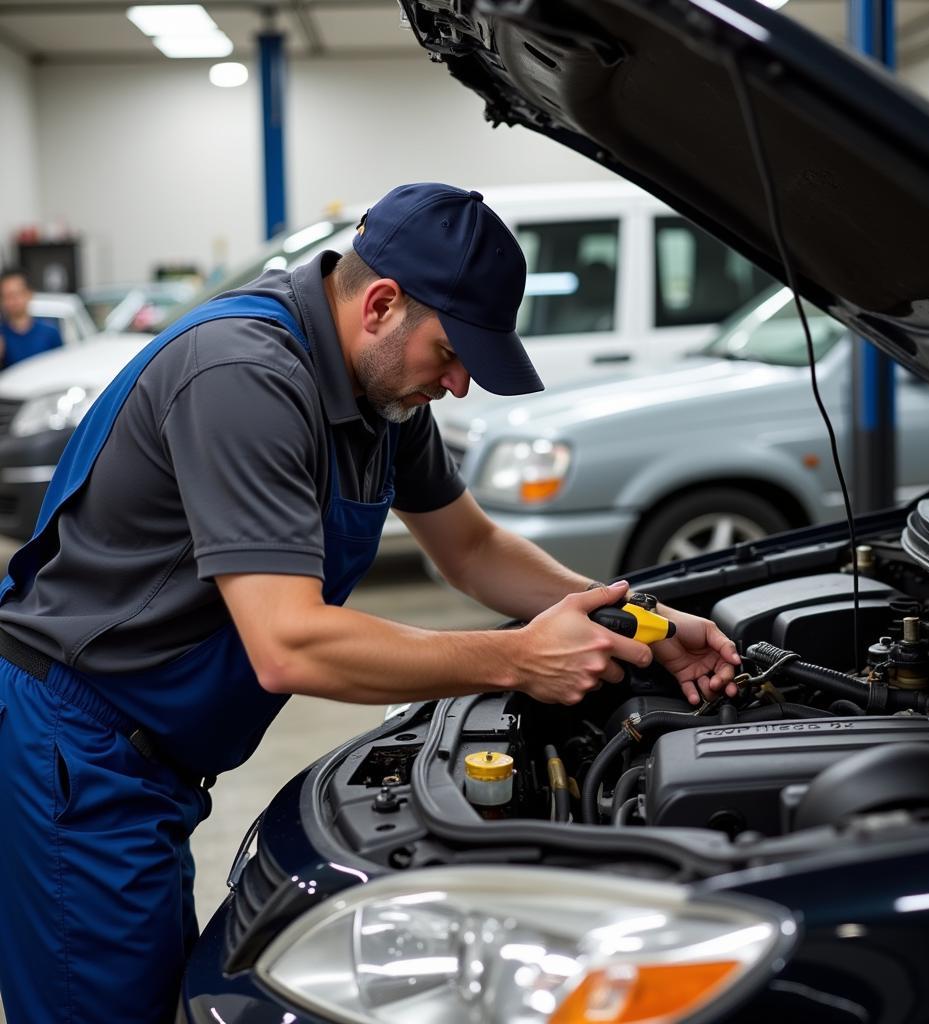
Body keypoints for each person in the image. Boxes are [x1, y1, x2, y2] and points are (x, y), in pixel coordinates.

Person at [0, 183, 741, 1023]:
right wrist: (517, 659)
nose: (459, 385)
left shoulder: (379, 389)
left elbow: (472, 549)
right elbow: (290, 645)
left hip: (155, 759)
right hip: (75, 751)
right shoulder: (244, 374)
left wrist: (644, 617)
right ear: (382, 304)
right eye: (452, 354)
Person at [0, 267, 64, 368]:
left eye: (16, 294)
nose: (12, 301)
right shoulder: (2, 335)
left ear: (29, 294)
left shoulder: (50, 333)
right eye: (6, 296)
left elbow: (62, 367)